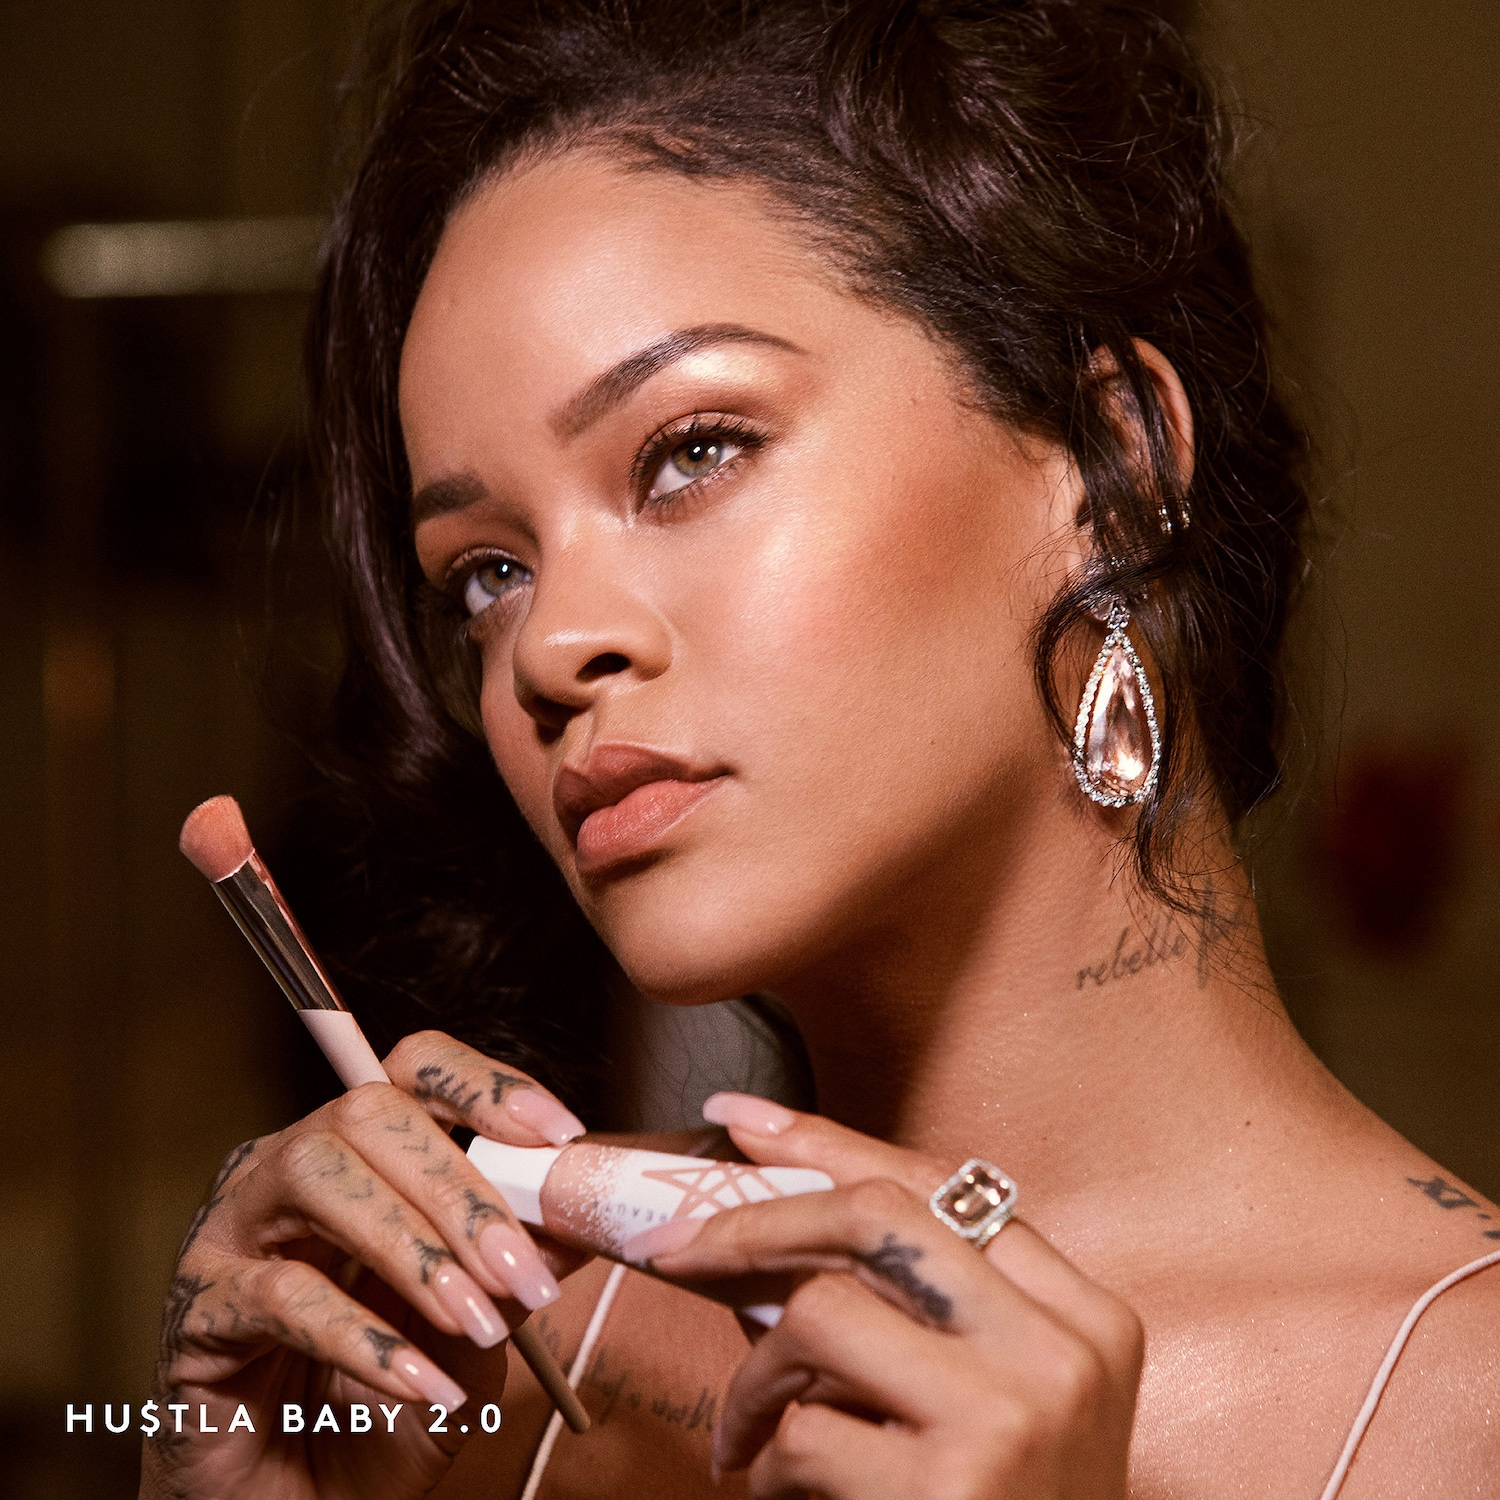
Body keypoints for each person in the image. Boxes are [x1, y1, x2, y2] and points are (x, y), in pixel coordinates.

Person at [142, 2, 1500, 1496]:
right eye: (487, 572)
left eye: (692, 452)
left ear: (1110, 468)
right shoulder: (489, 1363)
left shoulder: (1462, 1407)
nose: (546, 648)